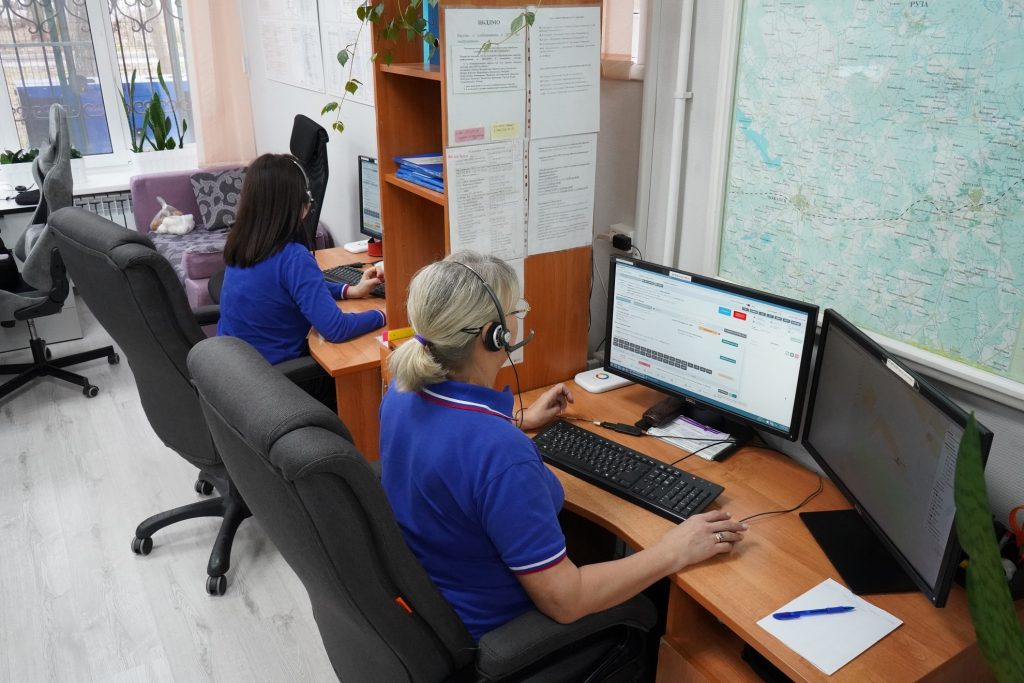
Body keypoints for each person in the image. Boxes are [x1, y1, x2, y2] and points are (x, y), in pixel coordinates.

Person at [379, 251, 748, 642]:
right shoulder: (501, 454)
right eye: (515, 310)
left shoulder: (401, 390)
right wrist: (673, 550)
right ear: (494, 335)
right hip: (497, 630)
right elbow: (566, 602)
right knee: (657, 604)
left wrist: (517, 420)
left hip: (437, 601)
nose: (518, 319)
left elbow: (452, 440)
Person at [218, 153, 385, 407]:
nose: (309, 199)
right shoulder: (293, 257)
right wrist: (385, 314)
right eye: (305, 193)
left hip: (237, 374)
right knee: (363, 372)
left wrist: (348, 291)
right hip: (276, 384)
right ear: (293, 204)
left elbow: (291, 288)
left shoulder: (243, 243)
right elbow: (336, 329)